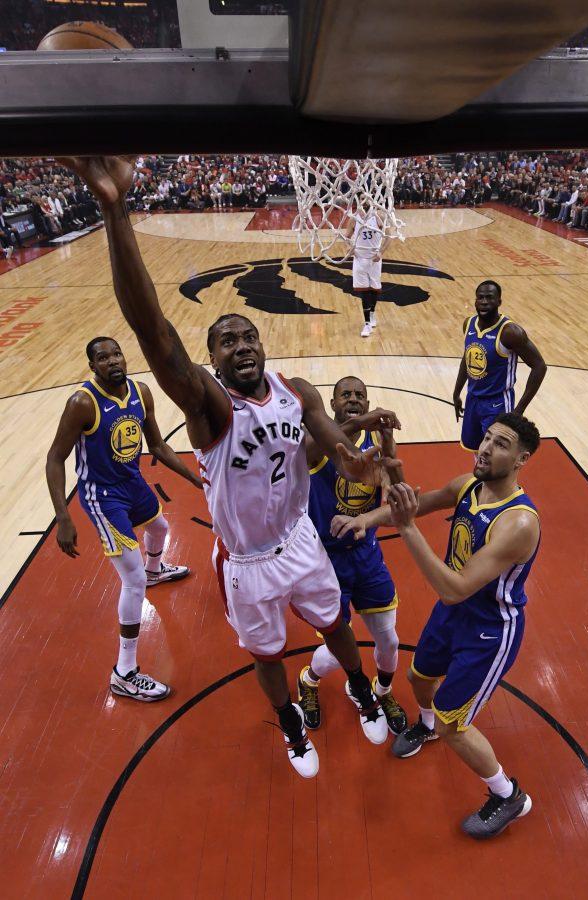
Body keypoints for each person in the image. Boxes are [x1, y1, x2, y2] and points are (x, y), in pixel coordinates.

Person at [57, 155, 400, 778]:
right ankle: (293, 727)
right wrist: (115, 209)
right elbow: (154, 331)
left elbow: (344, 462)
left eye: (249, 337)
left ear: (262, 347)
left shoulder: (297, 391)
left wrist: (373, 465)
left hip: (299, 540)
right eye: (227, 341)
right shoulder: (212, 407)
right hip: (246, 562)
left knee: (337, 625)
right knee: (267, 655)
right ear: (212, 360)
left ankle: (354, 683)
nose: (242, 345)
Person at [345, 413, 540, 838]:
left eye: (501, 444)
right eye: (486, 438)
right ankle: (427, 727)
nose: (486, 447)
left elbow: (454, 588)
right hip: (454, 615)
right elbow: (416, 504)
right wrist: (367, 519)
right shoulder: (469, 484)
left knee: (456, 723)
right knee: (418, 677)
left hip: (489, 630)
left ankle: (508, 794)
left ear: (522, 458)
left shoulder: (519, 523)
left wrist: (407, 528)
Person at [46, 336, 203, 702]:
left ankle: (156, 569)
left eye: (116, 353)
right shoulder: (82, 403)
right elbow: (55, 457)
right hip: (102, 496)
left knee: (161, 527)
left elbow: (159, 446)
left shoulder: (140, 391)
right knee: (131, 580)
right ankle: (125, 672)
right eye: (103, 357)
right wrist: (62, 516)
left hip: (131, 482)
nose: (113, 360)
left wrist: (197, 479)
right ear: (93, 367)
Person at [298, 376, 407, 736]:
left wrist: (389, 448)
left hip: (366, 555)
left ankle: (381, 691)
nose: (354, 399)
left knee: (389, 641)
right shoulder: (316, 442)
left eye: (361, 395)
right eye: (346, 394)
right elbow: (306, 452)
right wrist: (357, 425)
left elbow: (398, 497)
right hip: (326, 561)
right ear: (331, 404)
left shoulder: (377, 443)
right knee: (336, 648)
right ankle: (309, 680)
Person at [452, 281, 547, 452]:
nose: (484, 301)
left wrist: (518, 411)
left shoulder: (510, 332)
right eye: (480, 297)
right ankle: (481, 480)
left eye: (489, 298)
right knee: (476, 451)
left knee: (497, 455)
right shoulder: (469, 324)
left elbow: (540, 366)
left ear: (499, 302)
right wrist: (456, 392)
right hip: (472, 399)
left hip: (498, 404)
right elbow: (467, 359)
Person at [344, 210, 390, 338]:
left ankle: (372, 313)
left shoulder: (379, 216)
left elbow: (388, 237)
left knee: (374, 289)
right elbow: (346, 237)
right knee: (364, 291)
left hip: (374, 259)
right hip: (360, 259)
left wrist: (381, 252)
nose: (364, 204)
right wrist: (348, 247)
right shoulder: (354, 218)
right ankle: (367, 323)